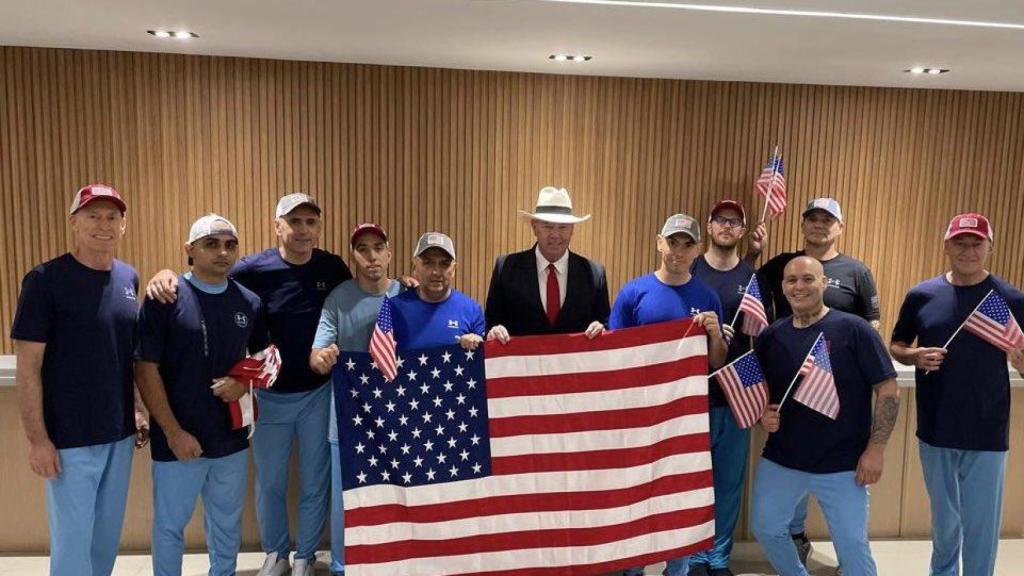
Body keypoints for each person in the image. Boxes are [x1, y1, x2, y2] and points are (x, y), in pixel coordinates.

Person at [146, 193, 352, 576]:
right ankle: (276, 553)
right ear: (278, 226)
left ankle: (306, 555)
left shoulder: (333, 266)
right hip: (269, 397)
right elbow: (204, 282)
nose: (303, 230)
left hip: (319, 393)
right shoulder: (250, 269)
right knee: (270, 483)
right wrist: (166, 273)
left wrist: (403, 284)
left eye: (311, 222)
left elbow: (360, 297)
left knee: (315, 481)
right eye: (295, 222)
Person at [11, 184, 146, 576]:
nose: (103, 225)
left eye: (112, 217)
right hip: (69, 439)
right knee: (73, 545)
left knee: (104, 541)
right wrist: (39, 440)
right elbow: (28, 368)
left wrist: (137, 410)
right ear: (74, 222)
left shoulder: (128, 278)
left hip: (118, 435)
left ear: (123, 225)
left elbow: (127, 358)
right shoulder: (44, 281)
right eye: (92, 216)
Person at [747, 197, 880, 563]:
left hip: (843, 443)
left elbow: (883, 381)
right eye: (792, 280)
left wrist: (875, 448)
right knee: (771, 523)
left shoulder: (855, 303)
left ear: (824, 281)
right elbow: (765, 385)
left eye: (808, 279)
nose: (799, 286)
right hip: (788, 442)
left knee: (851, 543)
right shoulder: (774, 331)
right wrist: (764, 413)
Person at [890, 213, 1024, 576]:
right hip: (934, 428)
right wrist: (914, 356)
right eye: (960, 242)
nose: (968, 250)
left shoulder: (1011, 298)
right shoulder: (922, 295)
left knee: (981, 526)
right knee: (945, 523)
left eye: (976, 243)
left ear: (990, 247)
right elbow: (896, 345)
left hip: (987, 430)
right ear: (946, 245)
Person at [135, 214, 269, 576]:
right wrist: (173, 432)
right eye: (212, 244)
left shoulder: (249, 302)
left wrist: (244, 384)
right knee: (169, 526)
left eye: (230, 245)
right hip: (178, 440)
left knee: (226, 525)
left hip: (231, 440)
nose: (222, 252)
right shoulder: (165, 297)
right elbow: (145, 368)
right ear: (189, 250)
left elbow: (266, 357)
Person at [610, 213, 728, 576]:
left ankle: (677, 569)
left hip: (686, 416)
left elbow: (717, 361)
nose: (678, 251)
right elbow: (616, 352)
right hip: (640, 413)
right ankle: (634, 568)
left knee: (680, 494)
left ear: (697, 249)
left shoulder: (707, 297)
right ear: (659, 241)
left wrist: (714, 335)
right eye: (672, 242)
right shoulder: (634, 291)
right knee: (636, 492)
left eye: (686, 244)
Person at [309, 223, 401, 576]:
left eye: (378, 247)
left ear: (389, 254)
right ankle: (341, 566)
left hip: (397, 417)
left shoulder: (407, 295)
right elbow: (317, 354)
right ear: (353, 256)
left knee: (394, 494)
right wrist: (322, 358)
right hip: (349, 417)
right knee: (346, 499)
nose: (372, 255)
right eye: (363, 248)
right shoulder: (339, 297)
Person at [687, 200, 771, 576]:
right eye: (721, 220)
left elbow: (764, 338)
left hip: (737, 393)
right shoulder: (689, 268)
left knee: (728, 482)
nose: (727, 226)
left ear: (742, 231)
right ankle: (691, 556)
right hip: (691, 396)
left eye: (735, 222)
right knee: (691, 482)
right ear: (708, 226)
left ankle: (718, 557)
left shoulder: (753, 278)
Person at [485, 186, 609, 343]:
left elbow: (605, 326)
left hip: (574, 366)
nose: (555, 234)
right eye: (548, 226)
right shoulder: (506, 268)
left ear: (572, 229)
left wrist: (601, 330)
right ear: (534, 227)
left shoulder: (594, 273)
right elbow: (490, 324)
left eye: (563, 227)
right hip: (522, 366)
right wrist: (494, 331)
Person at [392, 232, 486, 351]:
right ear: (414, 266)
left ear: (454, 269)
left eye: (444, 264)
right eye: (428, 263)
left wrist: (478, 344)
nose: (436, 272)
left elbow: (485, 362)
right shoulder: (393, 308)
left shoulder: (472, 310)